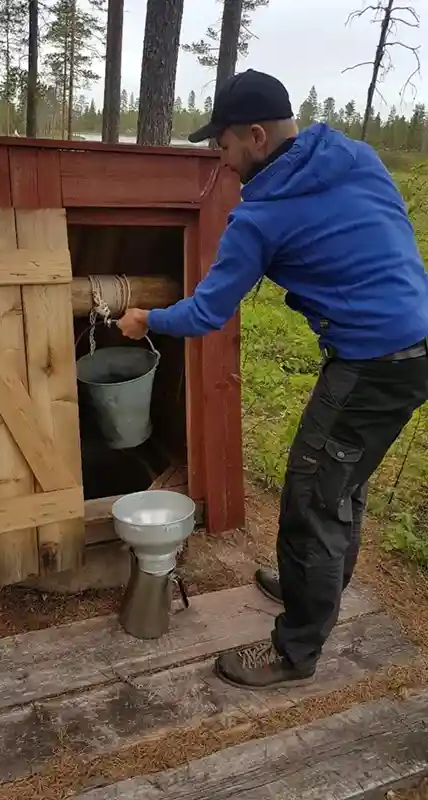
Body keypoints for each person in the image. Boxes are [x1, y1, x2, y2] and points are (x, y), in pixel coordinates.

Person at [117, 69, 428, 691]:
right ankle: (318, 584)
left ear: (256, 135)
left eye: (226, 147)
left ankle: (295, 650)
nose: (222, 162)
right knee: (343, 478)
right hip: (413, 345)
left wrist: (146, 317)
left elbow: (206, 312)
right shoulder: (357, 157)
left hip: (372, 363)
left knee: (314, 495)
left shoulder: (259, 218)